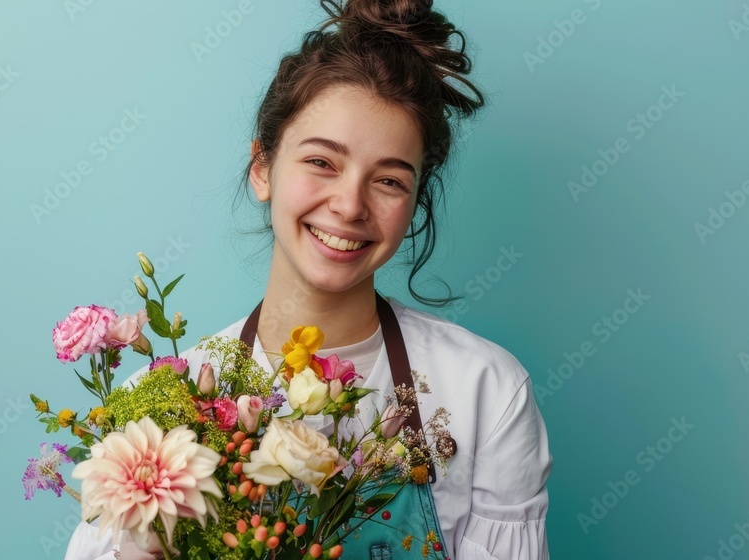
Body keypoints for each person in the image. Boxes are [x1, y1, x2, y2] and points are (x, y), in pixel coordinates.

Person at [64, 0, 552, 558]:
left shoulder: (485, 391)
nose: (349, 205)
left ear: (416, 201)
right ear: (262, 168)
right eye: (321, 162)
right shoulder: (158, 416)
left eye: (389, 181)